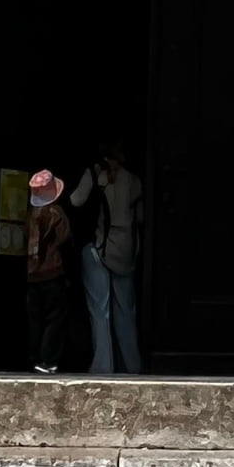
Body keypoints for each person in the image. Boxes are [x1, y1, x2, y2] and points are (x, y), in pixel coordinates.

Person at [69, 142, 144, 375]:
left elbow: (76, 200)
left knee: (100, 309)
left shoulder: (95, 175)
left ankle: (103, 366)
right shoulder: (134, 181)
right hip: (126, 250)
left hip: (99, 247)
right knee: (126, 311)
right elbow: (141, 217)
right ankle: (131, 366)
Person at [23, 168, 72, 373]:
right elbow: (65, 240)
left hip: (33, 275)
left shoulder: (30, 216)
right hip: (53, 273)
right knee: (54, 318)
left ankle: (33, 357)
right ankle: (48, 360)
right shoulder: (56, 214)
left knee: (35, 319)